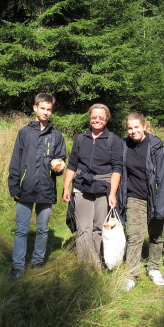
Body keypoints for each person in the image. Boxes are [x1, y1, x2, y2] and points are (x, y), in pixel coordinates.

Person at [8, 93, 66, 281]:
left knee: (42, 229)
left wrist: (59, 167)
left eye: (49, 109)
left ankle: (38, 262)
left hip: (46, 190)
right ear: (35, 108)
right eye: (43, 108)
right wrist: (14, 186)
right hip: (25, 188)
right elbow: (16, 160)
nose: (46, 112)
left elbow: (60, 161)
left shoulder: (56, 135)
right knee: (21, 229)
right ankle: (18, 266)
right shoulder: (24, 133)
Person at [62, 104, 123, 267]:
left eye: (101, 117)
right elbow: (72, 164)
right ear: (90, 118)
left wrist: (112, 193)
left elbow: (117, 168)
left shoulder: (114, 141)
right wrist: (66, 187)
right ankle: (84, 266)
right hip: (82, 187)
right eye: (94, 117)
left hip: (103, 188)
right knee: (84, 228)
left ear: (106, 119)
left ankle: (96, 264)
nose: (97, 120)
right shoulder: (81, 138)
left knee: (98, 228)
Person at [119, 113, 164, 289]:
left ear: (143, 126)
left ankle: (154, 268)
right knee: (135, 235)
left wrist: (162, 203)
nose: (133, 131)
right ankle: (131, 274)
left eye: (136, 127)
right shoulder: (124, 145)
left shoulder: (156, 146)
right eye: (130, 128)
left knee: (156, 235)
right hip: (134, 197)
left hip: (156, 196)